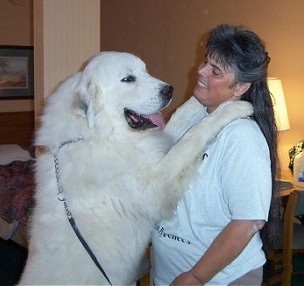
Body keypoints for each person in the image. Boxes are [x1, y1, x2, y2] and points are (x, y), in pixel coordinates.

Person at [151, 24, 278, 285]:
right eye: (205, 61)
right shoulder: (190, 117)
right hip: (168, 273)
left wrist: (197, 276)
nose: (200, 71)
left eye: (215, 71)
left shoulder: (242, 137)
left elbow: (247, 223)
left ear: (240, 87)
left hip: (219, 279)